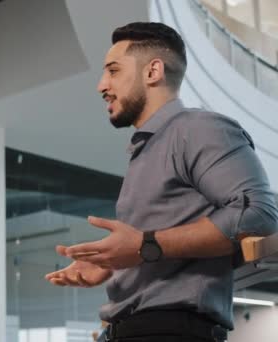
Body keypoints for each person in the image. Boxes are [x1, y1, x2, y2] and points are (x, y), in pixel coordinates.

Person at [45, 22, 278, 342]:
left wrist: (143, 246)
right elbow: (156, 247)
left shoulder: (198, 129)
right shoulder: (147, 149)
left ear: (153, 71)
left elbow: (259, 215)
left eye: (113, 70)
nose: (102, 85)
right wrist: (114, 263)